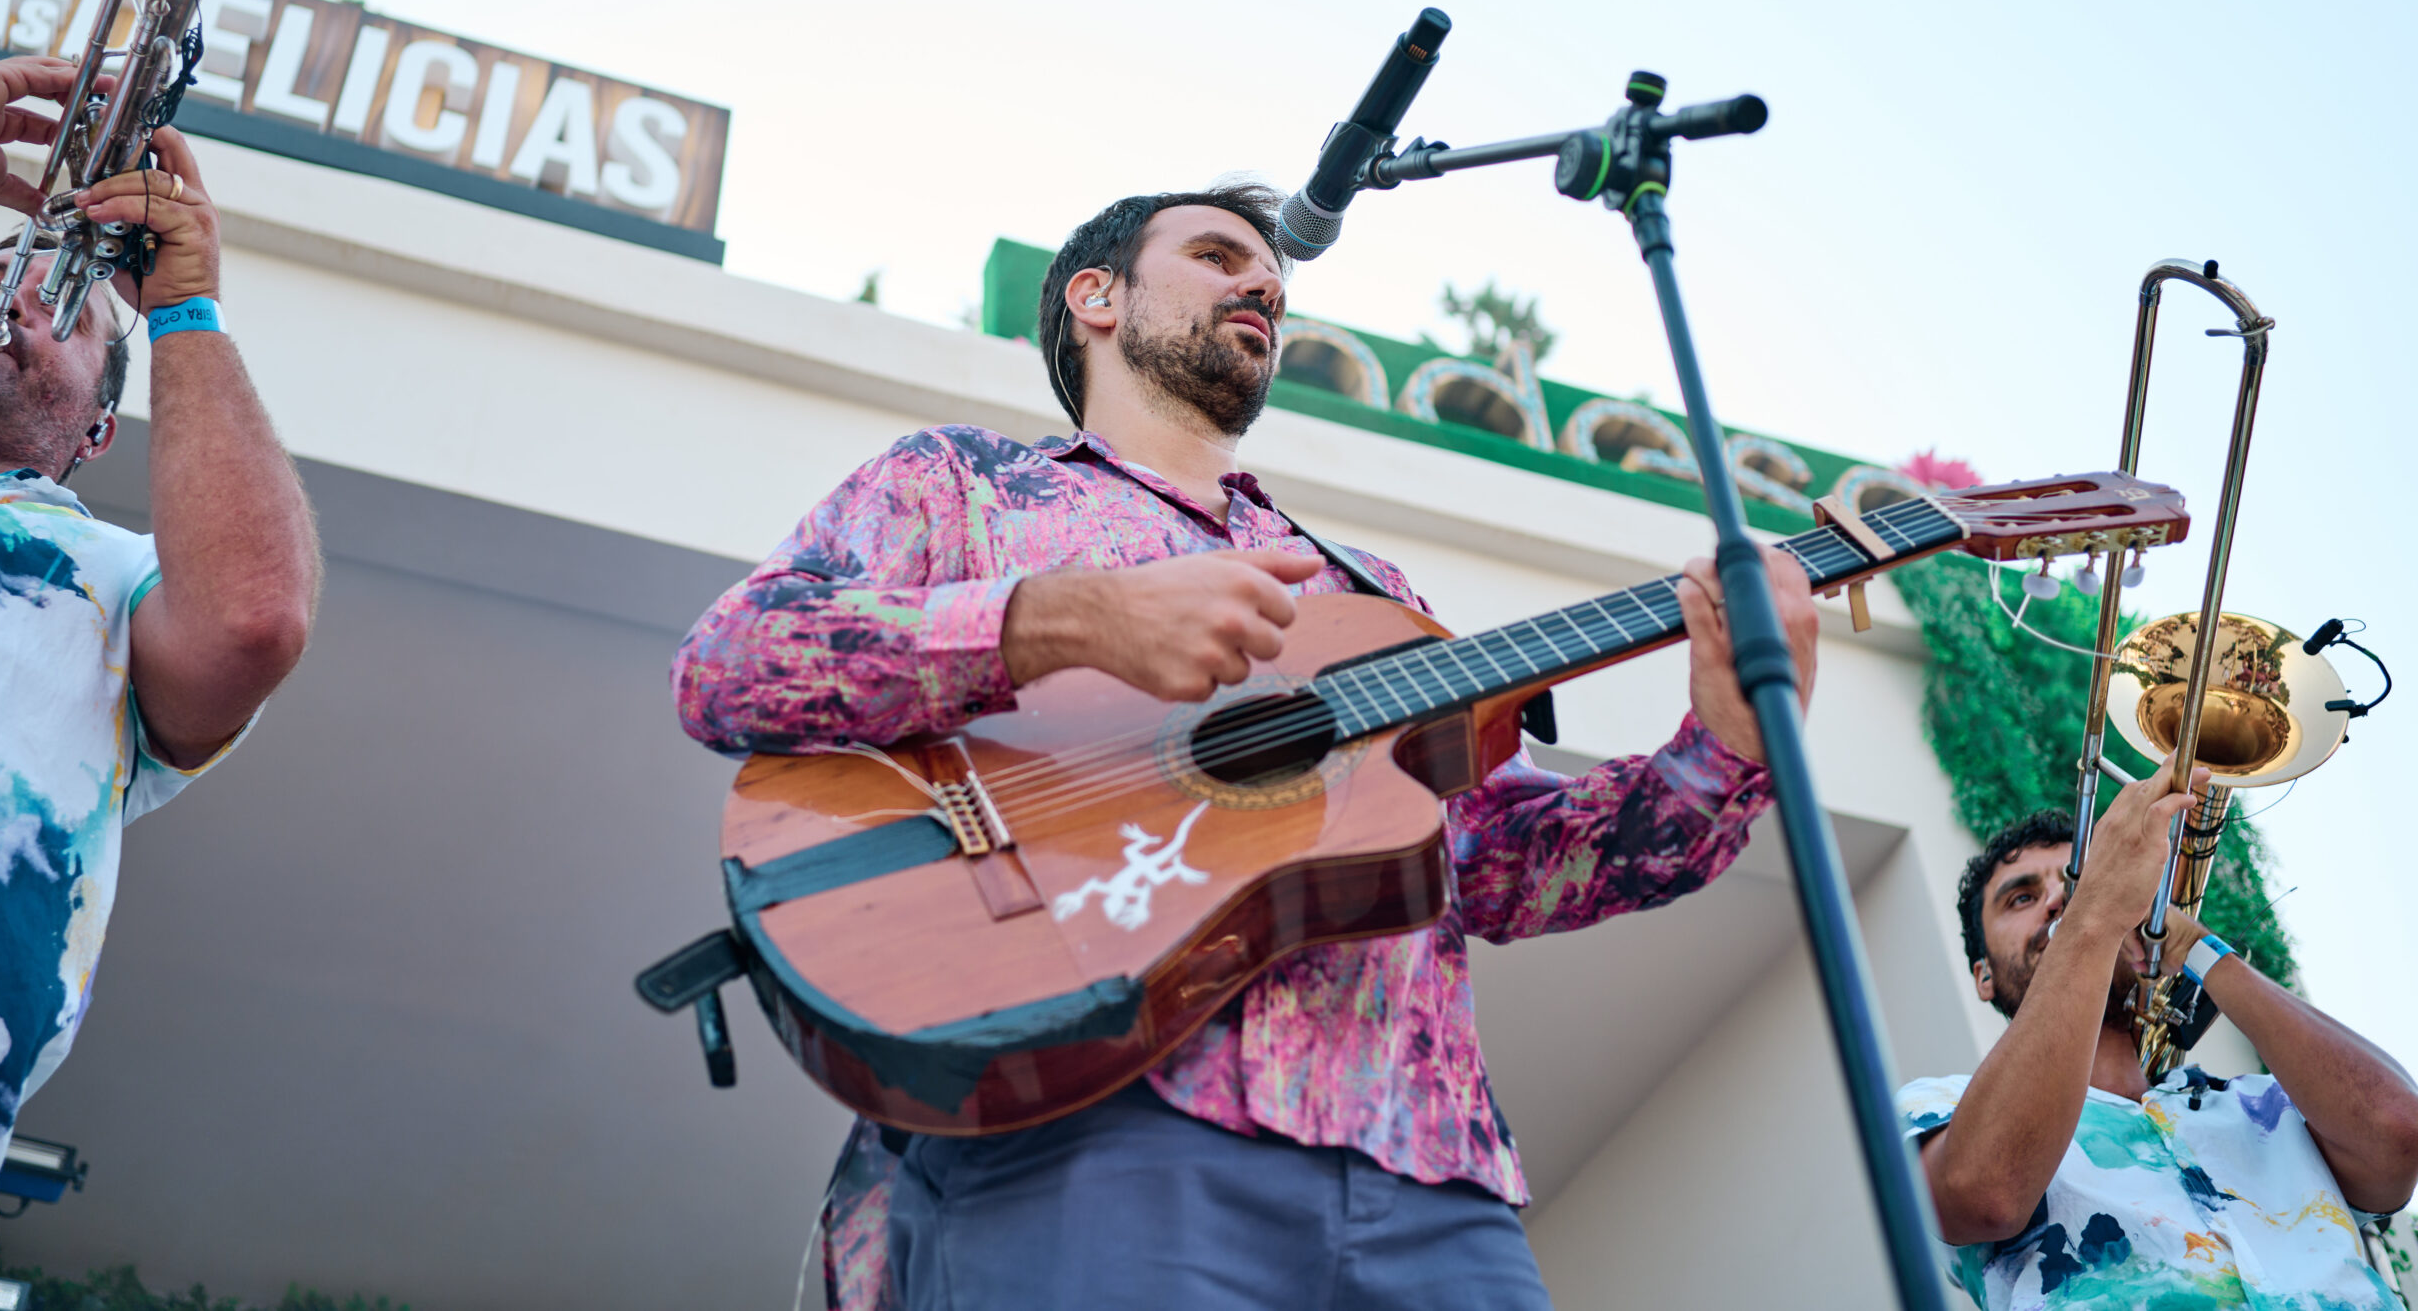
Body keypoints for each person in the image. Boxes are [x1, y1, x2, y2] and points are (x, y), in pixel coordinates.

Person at [672, 182, 1819, 1311]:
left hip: (1427, 1169)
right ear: (1095, 297)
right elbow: (730, 665)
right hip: (1089, 1122)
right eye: (1218, 257)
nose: (1263, 284)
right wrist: (1061, 620)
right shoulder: (964, 488)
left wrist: (1724, 741)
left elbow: (1501, 865)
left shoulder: (1369, 597)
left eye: (1273, 278)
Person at [0, 55, 321, 1311]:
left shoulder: (120, 578)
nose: (4, 294)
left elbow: (254, 622)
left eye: (63, 311)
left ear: (96, 433)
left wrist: (187, 309)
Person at [1899, 765, 2418, 1310]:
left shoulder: (2263, 1106)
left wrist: (2195, 948)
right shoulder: (1943, 1108)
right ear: (1983, 974)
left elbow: (2398, 1135)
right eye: (2022, 898)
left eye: (2076, 881)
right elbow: (1986, 1194)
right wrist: (2093, 910)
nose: (2059, 900)